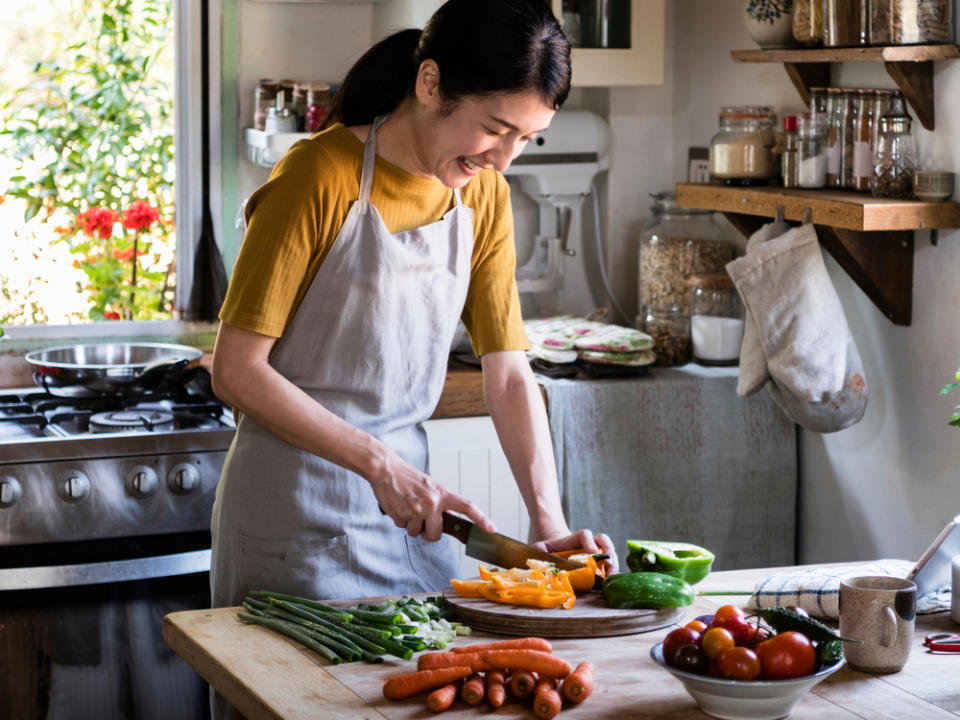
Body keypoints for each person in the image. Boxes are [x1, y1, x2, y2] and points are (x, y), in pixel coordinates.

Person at [210, 0, 618, 619]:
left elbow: (508, 376)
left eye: (526, 139)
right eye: (494, 127)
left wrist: (548, 521)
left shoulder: (486, 198)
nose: (504, 157)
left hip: (415, 522)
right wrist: (379, 465)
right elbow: (236, 370)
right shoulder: (317, 174)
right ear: (430, 83)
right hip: (293, 520)